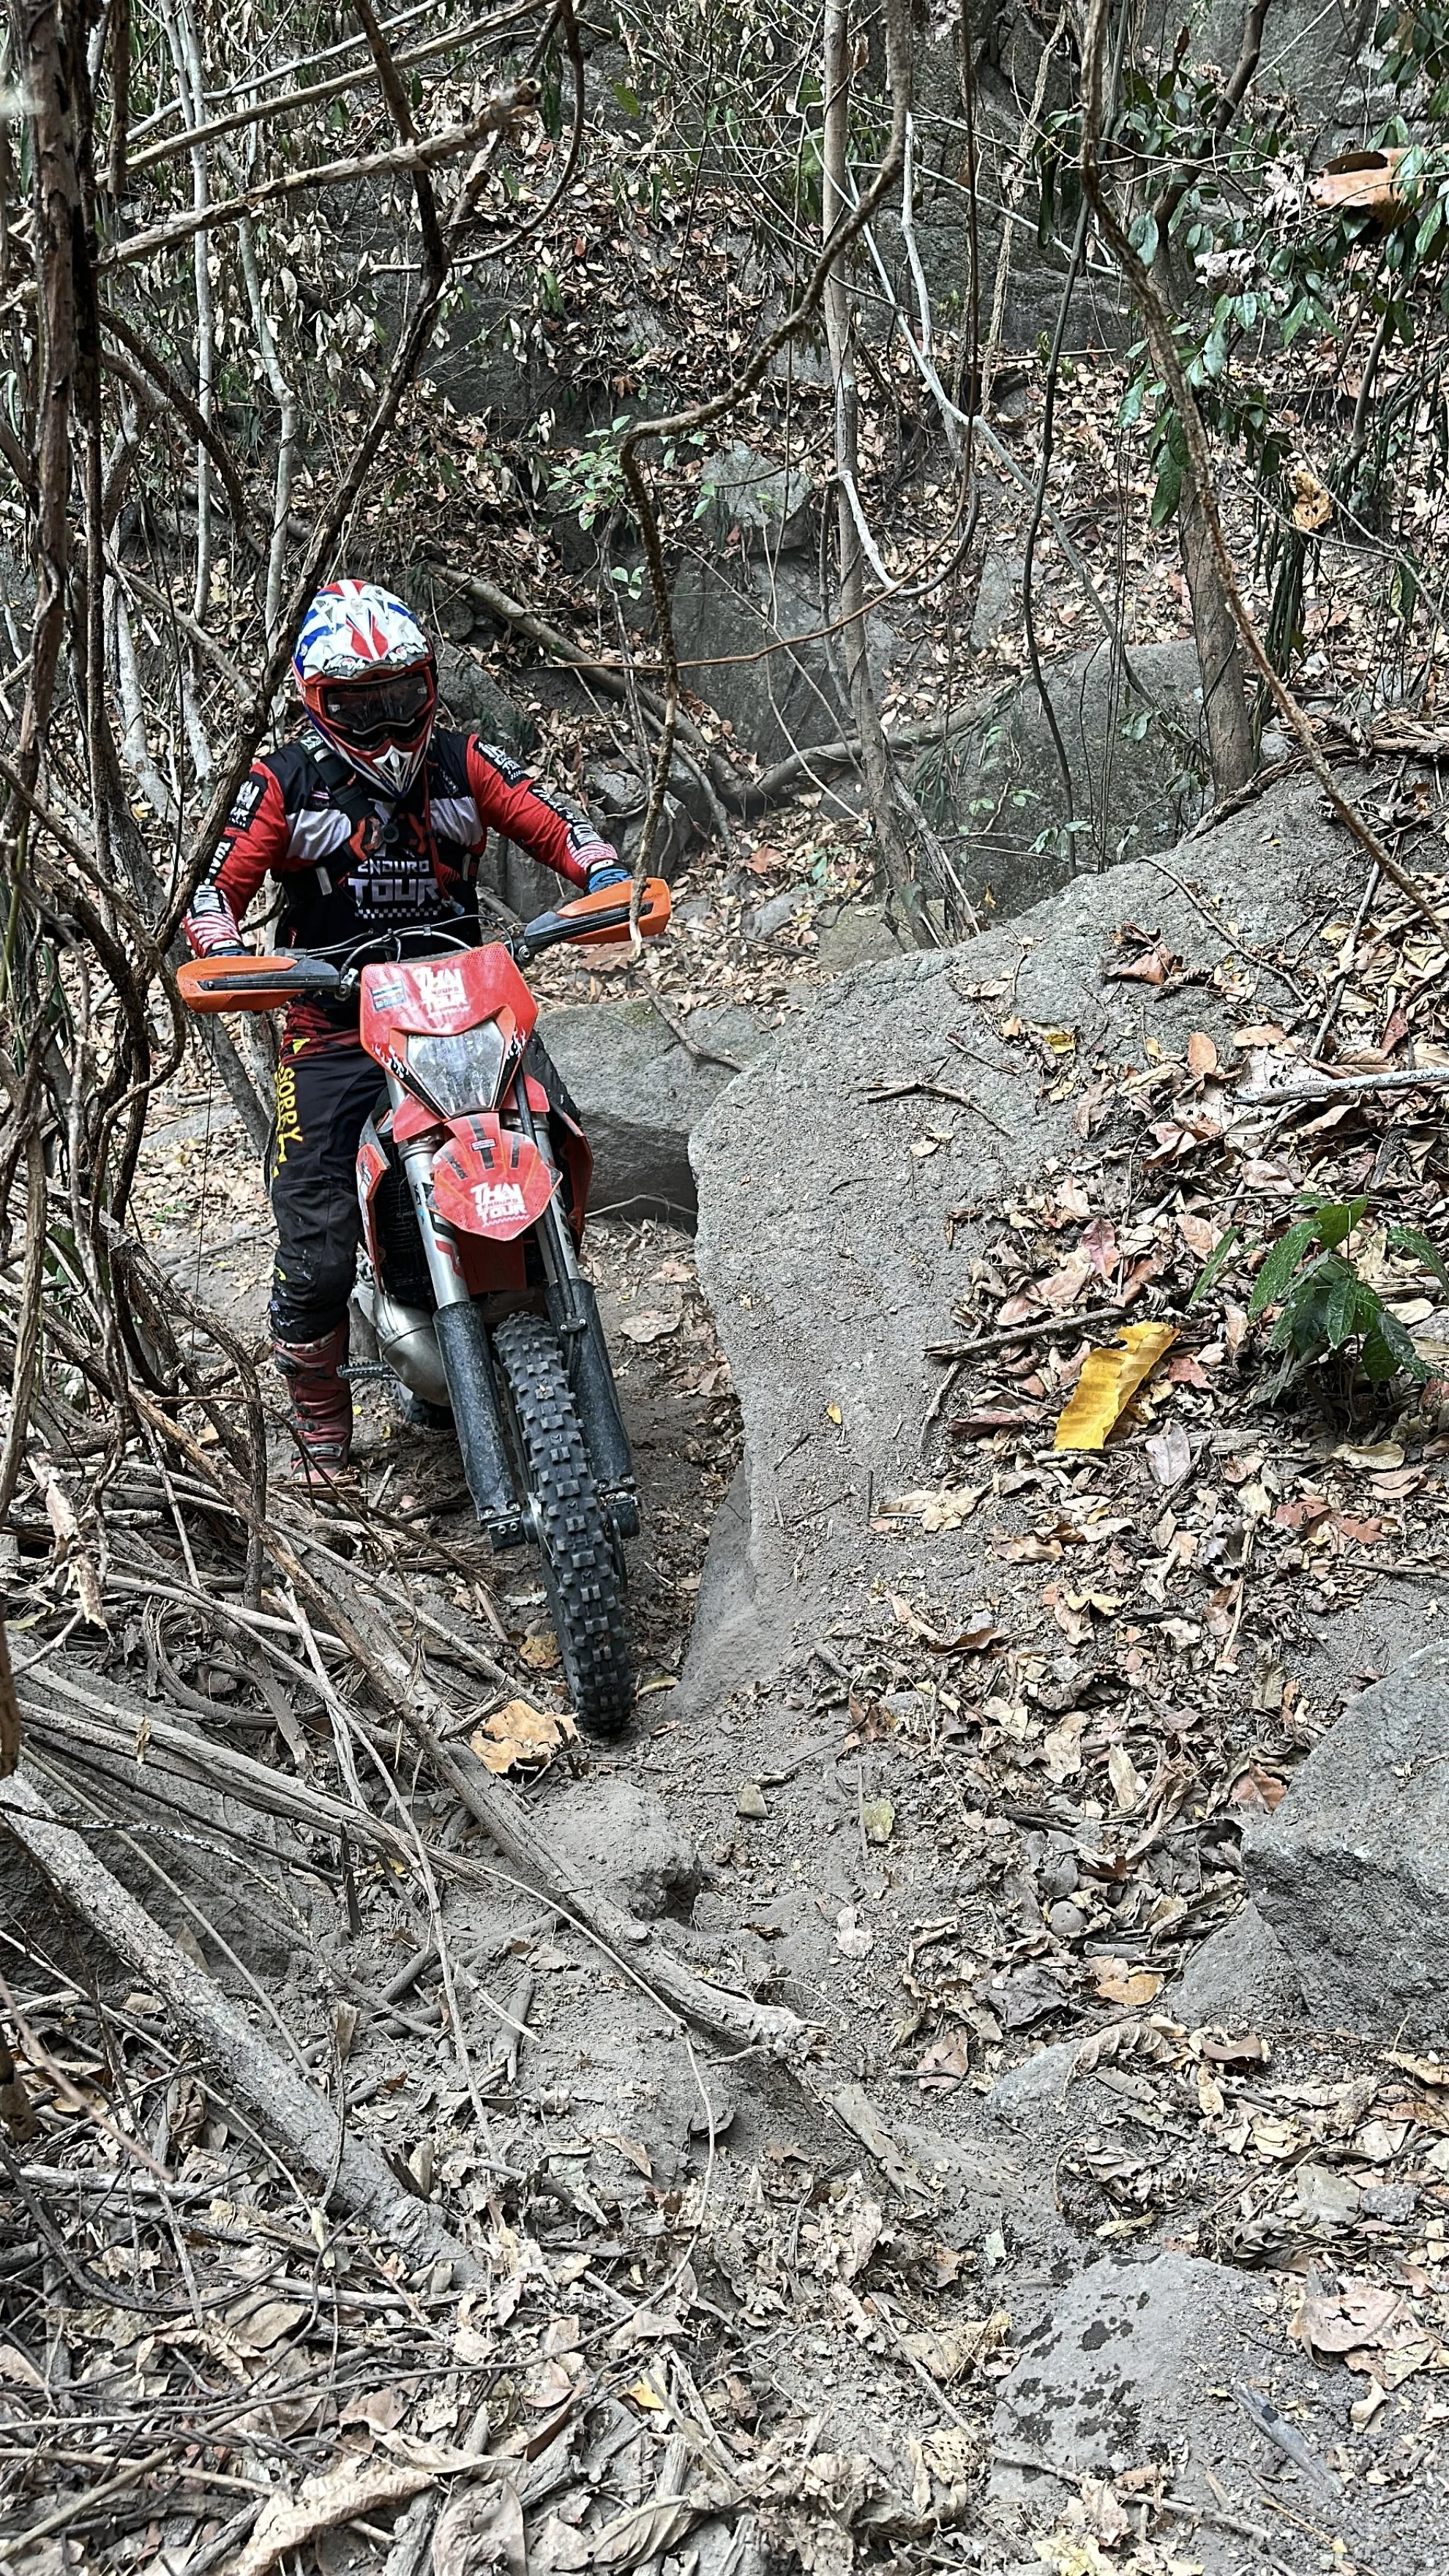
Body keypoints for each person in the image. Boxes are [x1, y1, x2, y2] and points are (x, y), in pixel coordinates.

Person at [184, 579, 628, 1476]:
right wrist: (231, 951)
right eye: (362, 706)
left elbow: (561, 825)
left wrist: (603, 876)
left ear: (427, 685)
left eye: (401, 698)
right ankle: (322, 1438)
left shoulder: (464, 760)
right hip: (334, 1027)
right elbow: (212, 890)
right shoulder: (282, 781)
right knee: (313, 1245)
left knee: (558, 1142)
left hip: (465, 1006)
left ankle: (534, 1304)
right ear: (321, 705)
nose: (387, 725)